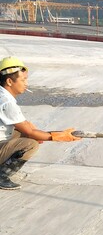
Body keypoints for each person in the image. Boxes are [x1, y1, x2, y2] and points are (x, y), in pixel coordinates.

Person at [0, 56, 81, 190]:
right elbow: (30, 132)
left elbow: (22, 124)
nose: (26, 84)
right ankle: (2, 176)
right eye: (23, 79)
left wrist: (36, 132)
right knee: (30, 144)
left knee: (23, 133)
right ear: (9, 81)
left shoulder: (2, 95)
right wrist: (58, 136)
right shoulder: (7, 102)